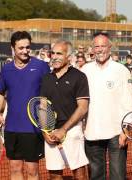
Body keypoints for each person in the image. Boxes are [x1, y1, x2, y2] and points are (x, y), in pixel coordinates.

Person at [0, 31, 50, 179]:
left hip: (33, 128)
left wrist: (45, 120)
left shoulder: (41, 66)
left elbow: (48, 94)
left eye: (27, 47)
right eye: (21, 48)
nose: (25, 51)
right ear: (13, 48)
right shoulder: (6, 69)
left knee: (32, 170)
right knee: (15, 168)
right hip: (11, 128)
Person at [82, 32, 132, 180]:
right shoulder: (85, 70)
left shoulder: (121, 70)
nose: (99, 49)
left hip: (116, 132)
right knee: (95, 176)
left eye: (103, 46)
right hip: (92, 132)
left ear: (110, 48)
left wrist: (126, 130)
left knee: (118, 176)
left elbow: (129, 101)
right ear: (92, 49)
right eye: (96, 46)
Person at [40, 40, 89, 179]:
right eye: (53, 53)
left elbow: (82, 108)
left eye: (59, 53)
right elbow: (43, 107)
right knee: (54, 174)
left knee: (79, 174)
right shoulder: (46, 78)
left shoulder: (79, 77)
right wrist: (45, 132)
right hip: (51, 131)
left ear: (69, 57)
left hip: (72, 130)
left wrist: (63, 130)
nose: (54, 56)